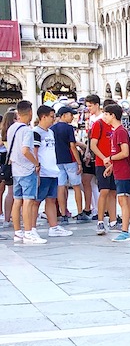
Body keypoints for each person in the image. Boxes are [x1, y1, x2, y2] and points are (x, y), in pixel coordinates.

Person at [104, 102, 130, 241]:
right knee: (128, 200)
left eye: (106, 114)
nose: (105, 117)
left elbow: (125, 152)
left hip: (123, 172)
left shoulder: (120, 132)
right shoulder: (118, 131)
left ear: (112, 115)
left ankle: (125, 231)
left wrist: (109, 159)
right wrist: (111, 167)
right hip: (120, 170)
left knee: (123, 201)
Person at [33, 105, 72, 239]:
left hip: (53, 170)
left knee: (51, 199)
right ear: (43, 117)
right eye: (51, 116)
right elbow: (35, 152)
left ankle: (54, 227)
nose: (53, 119)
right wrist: (36, 168)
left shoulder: (50, 132)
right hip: (43, 172)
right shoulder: (36, 132)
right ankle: (31, 228)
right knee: (36, 201)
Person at [9, 100, 44, 245]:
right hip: (27, 170)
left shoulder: (12, 128)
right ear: (29, 112)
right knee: (28, 201)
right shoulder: (27, 131)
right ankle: (29, 232)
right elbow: (25, 150)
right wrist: (36, 163)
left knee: (17, 201)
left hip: (15, 169)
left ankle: (18, 232)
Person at [89, 96, 118, 234]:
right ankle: (100, 221)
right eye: (104, 113)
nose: (105, 116)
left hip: (114, 163)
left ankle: (113, 221)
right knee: (104, 191)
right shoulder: (98, 124)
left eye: (107, 114)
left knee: (113, 192)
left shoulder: (116, 126)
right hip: (102, 163)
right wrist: (103, 158)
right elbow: (93, 145)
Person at [52, 105, 85, 222]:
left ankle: (63, 213)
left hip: (57, 160)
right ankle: (80, 211)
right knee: (76, 186)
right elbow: (72, 145)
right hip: (70, 160)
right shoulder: (68, 128)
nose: (72, 117)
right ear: (64, 115)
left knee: (61, 186)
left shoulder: (52, 128)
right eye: (71, 115)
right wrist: (79, 162)